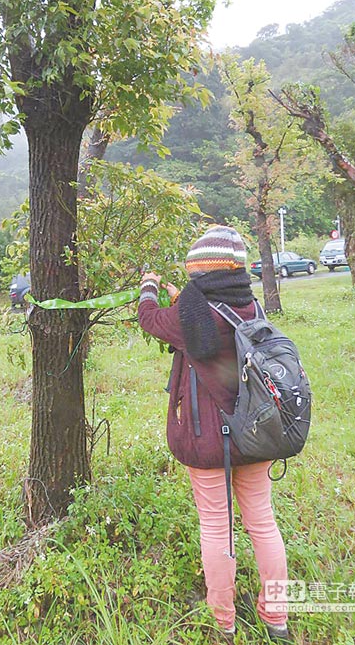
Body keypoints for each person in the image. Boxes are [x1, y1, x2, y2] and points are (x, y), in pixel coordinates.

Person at [138, 225, 290, 642]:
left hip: (208, 442)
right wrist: (181, 300)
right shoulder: (250, 305)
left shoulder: (193, 312)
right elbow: (210, 328)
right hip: (256, 434)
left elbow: (150, 319)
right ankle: (276, 616)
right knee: (262, 522)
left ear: (200, 272)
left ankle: (223, 619)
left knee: (216, 527)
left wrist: (148, 286)